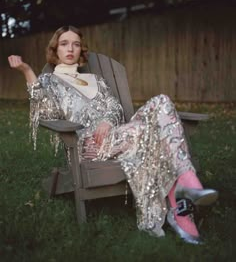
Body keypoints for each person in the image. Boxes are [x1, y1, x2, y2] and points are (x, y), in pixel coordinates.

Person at [8, 25, 218, 244]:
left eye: (76, 44)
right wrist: (27, 71)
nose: (70, 48)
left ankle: (185, 188)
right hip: (88, 146)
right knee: (154, 135)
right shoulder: (49, 82)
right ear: (55, 49)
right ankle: (183, 200)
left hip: (118, 136)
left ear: (81, 50)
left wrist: (107, 122)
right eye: (64, 44)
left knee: (162, 100)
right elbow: (46, 112)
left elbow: (114, 107)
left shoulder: (96, 80)